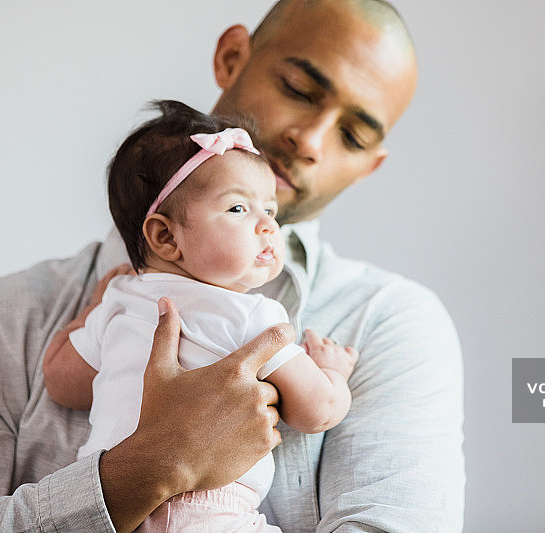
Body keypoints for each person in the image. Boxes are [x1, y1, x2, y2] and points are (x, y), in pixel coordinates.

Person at [0, 1, 465, 531]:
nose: (310, 141)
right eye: (299, 90)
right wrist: (149, 467)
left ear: (369, 166)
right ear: (232, 57)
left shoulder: (391, 324)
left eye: (352, 136)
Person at [42, 101, 359, 532]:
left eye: (271, 210)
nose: (268, 226)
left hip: (111, 504)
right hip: (210, 512)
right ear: (166, 236)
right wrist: (332, 372)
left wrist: (91, 312)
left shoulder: (120, 299)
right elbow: (317, 411)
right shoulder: (251, 314)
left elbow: (63, 383)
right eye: (238, 210)